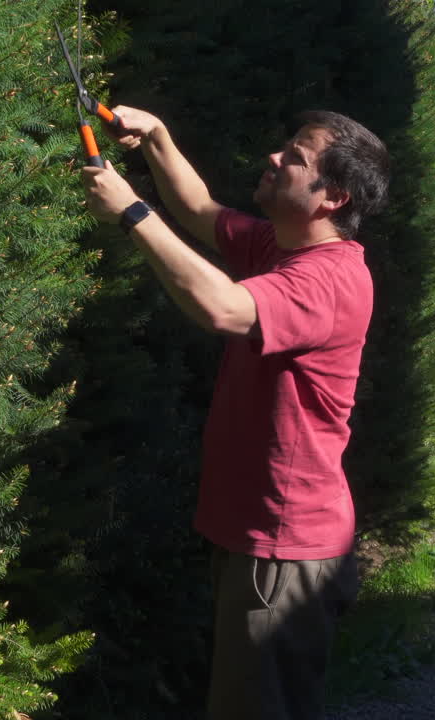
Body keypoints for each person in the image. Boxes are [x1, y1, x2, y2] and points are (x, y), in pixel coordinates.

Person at [81, 106, 390, 720]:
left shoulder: (328, 280)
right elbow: (199, 211)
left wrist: (132, 212)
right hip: (260, 537)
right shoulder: (280, 247)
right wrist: (157, 138)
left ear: (334, 196)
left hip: (283, 548)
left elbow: (224, 309)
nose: (274, 158)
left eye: (295, 159)